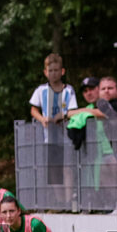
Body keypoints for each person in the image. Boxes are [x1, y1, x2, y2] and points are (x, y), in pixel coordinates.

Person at [29, 53, 77, 197]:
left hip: (65, 136)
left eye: (56, 70)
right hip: (48, 137)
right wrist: (42, 119)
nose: (53, 74)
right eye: (50, 71)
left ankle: (69, 200)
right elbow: (33, 109)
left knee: (67, 168)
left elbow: (73, 110)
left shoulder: (68, 90)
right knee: (54, 169)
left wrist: (63, 116)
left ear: (62, 71)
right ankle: (59, 200)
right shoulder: (41, 90)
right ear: (45, 72)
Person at [66, 76, 111, 151]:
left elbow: (105, 113)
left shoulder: (110, 102)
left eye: (91, 89)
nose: (88, 93)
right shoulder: (88, 108)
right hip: (96, 155)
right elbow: (68, 114)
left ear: (100, 88)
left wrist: (82, 111)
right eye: (85, 91)